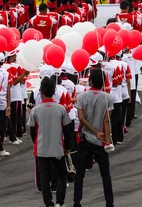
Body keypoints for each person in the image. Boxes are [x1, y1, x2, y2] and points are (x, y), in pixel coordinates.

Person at [28, 77, 75, 207]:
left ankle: (48, 203)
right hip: (58, 147)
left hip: (41, 147)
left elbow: (32, 130)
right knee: (61, 175)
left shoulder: (35, 110)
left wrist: (35, 143)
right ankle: (60, 202)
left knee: (44, 177)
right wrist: (68, 148)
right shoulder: (60, 109)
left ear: (41, 92)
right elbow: (67, 130)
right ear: (54, 91)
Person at [74, 68, 114, 207]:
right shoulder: (108, 97)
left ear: (90, 80)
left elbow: (81, 118)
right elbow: (107, 120)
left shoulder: (81, 97)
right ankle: (110, 203)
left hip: (85, 139)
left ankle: (76, 202)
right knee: (105, 174)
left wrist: (93, 131)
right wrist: (107, 140)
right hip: (101, 141)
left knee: (80, 174)